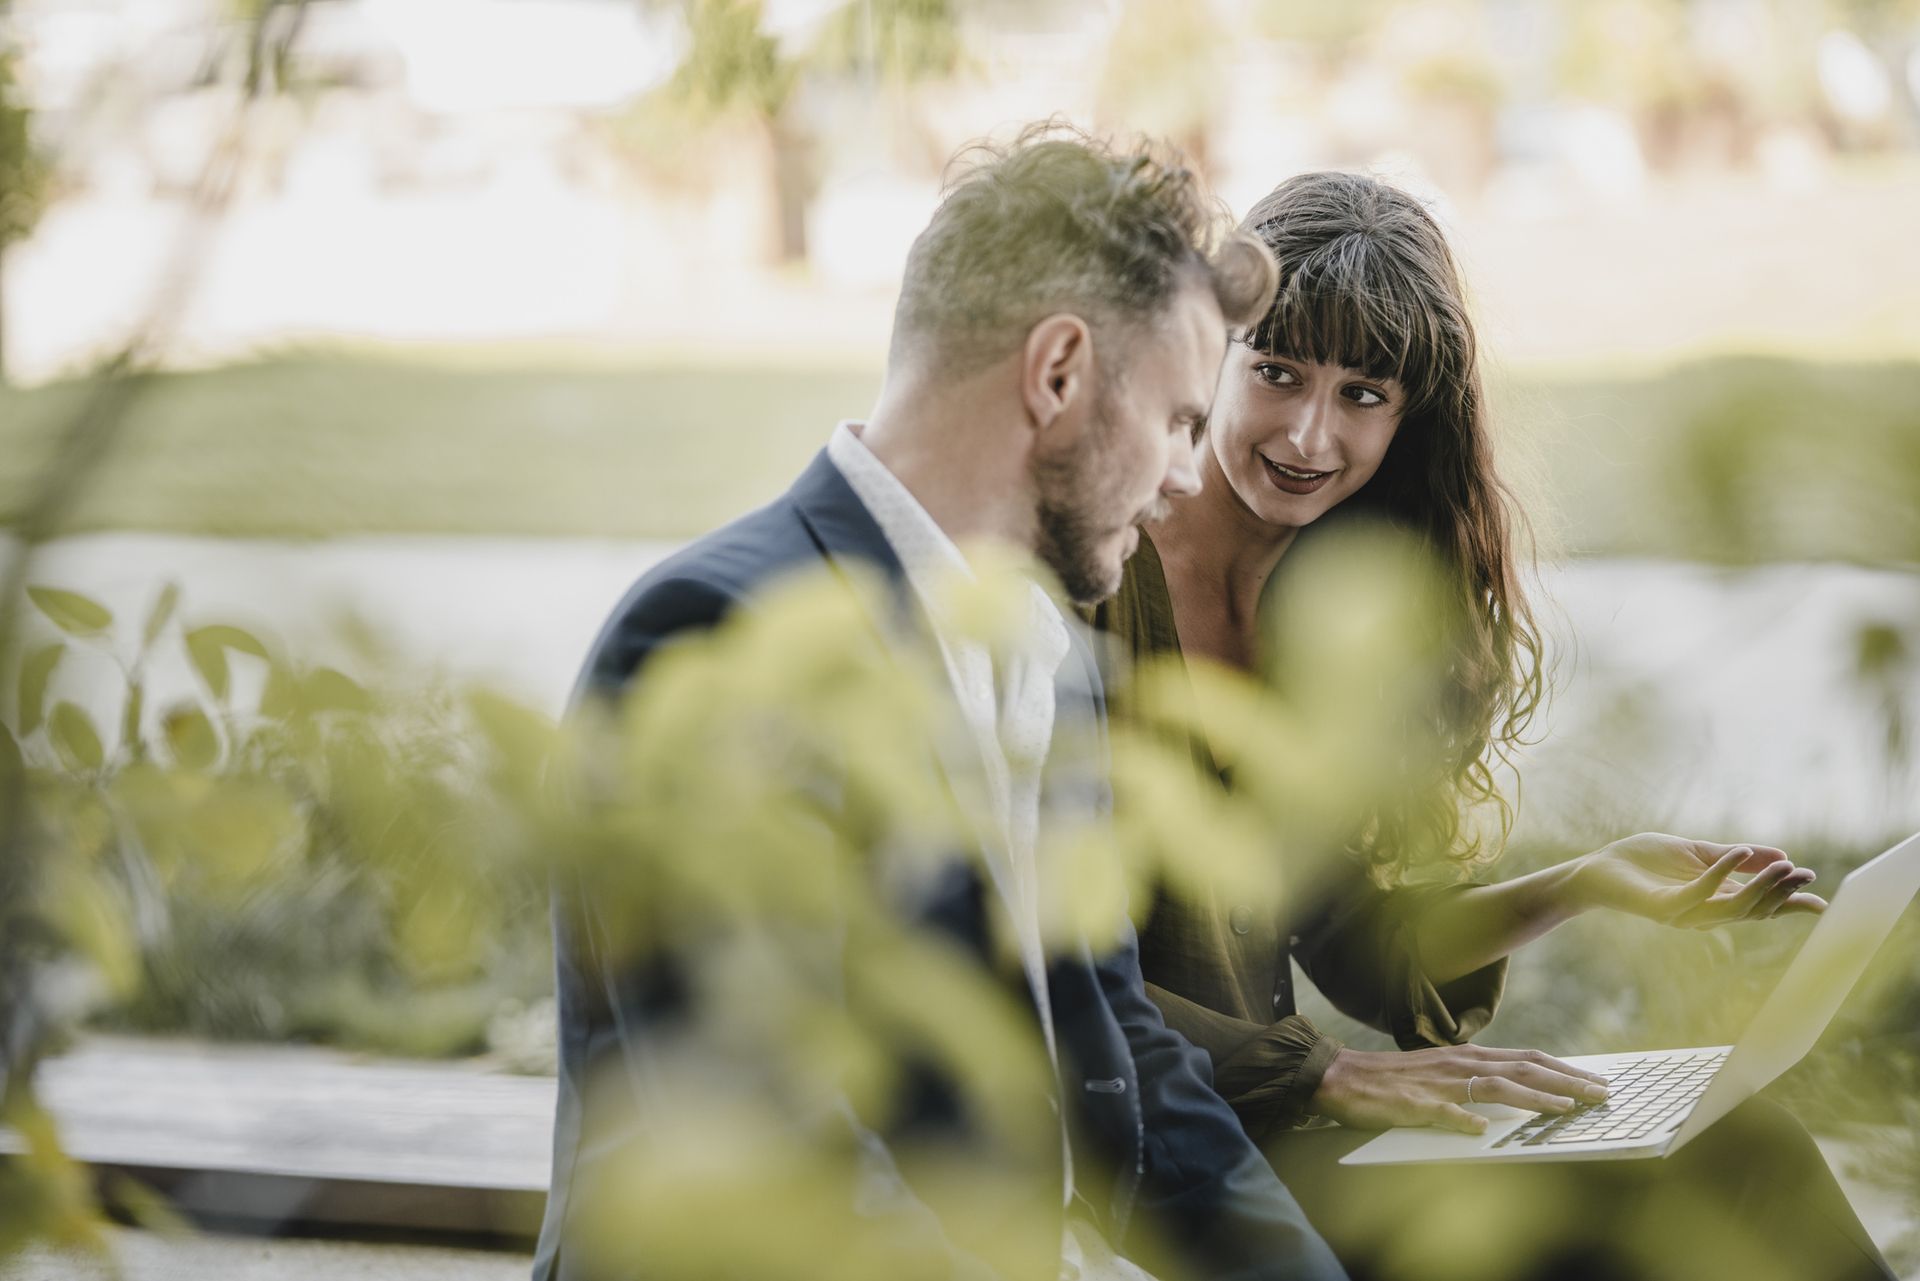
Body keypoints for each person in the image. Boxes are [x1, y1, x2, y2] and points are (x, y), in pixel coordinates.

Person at [534, 128, 1350, 1281]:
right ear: (1058, 373)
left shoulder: (1049, 662)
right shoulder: (719, 633)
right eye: (1177, 418)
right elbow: (774, 1153)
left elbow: (1122, 1052)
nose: (1185, 474)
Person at [1086, 170, 1895, 1281]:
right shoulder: (1098, 578)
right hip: (1156, 1151)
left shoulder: (1330, 612)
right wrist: (1325, 1072)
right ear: (1212, 353)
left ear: (1408, 418)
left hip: (1283, 1127)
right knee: (1669, 1204)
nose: (1311, 433)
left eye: (1363, 394)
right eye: (1277, 372)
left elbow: (1364, 947)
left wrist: (1588, 881)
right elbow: (1031, 954)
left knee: (1740, 1144)